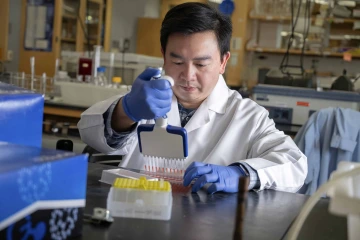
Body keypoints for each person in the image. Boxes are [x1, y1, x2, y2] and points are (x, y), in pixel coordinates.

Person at [78, 2, 307, 194]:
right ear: (163, 56)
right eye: (177, 62)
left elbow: (295, 164)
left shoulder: (247, 116)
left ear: (223, 62)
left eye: (201, 64)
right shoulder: (145, 99)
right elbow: (87, 131)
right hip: (138, 215)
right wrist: (126, 111)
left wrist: (242, 173)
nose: (187, 75)